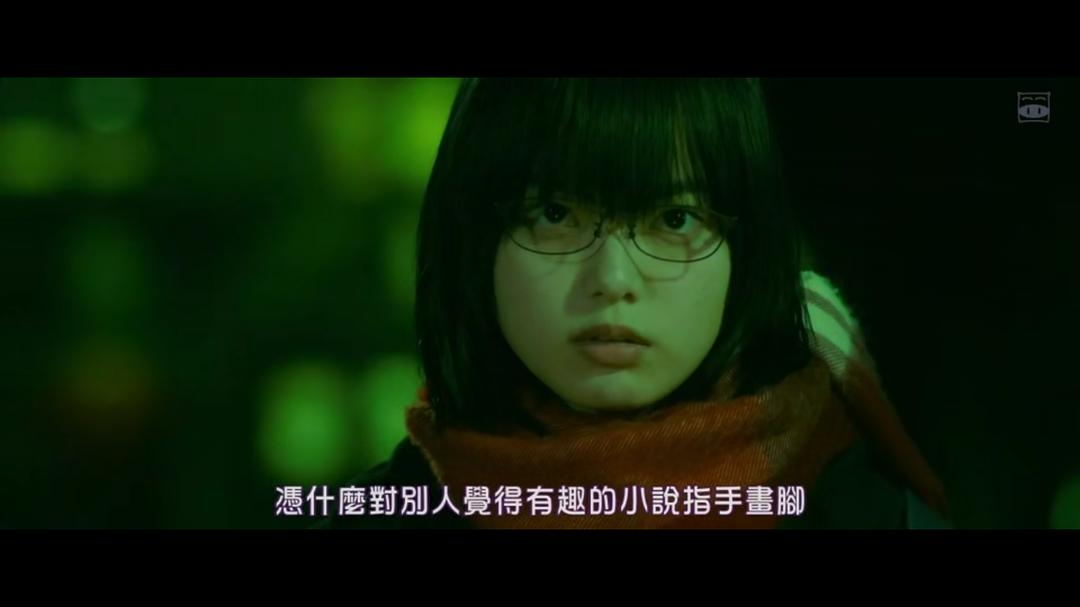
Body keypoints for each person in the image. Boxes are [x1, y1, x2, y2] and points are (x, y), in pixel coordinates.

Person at [322, 78, 951, 529]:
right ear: (473, 238)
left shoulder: (859, 510)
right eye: (555, 214)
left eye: (674, 218)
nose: (613, 278)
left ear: (748, 248)